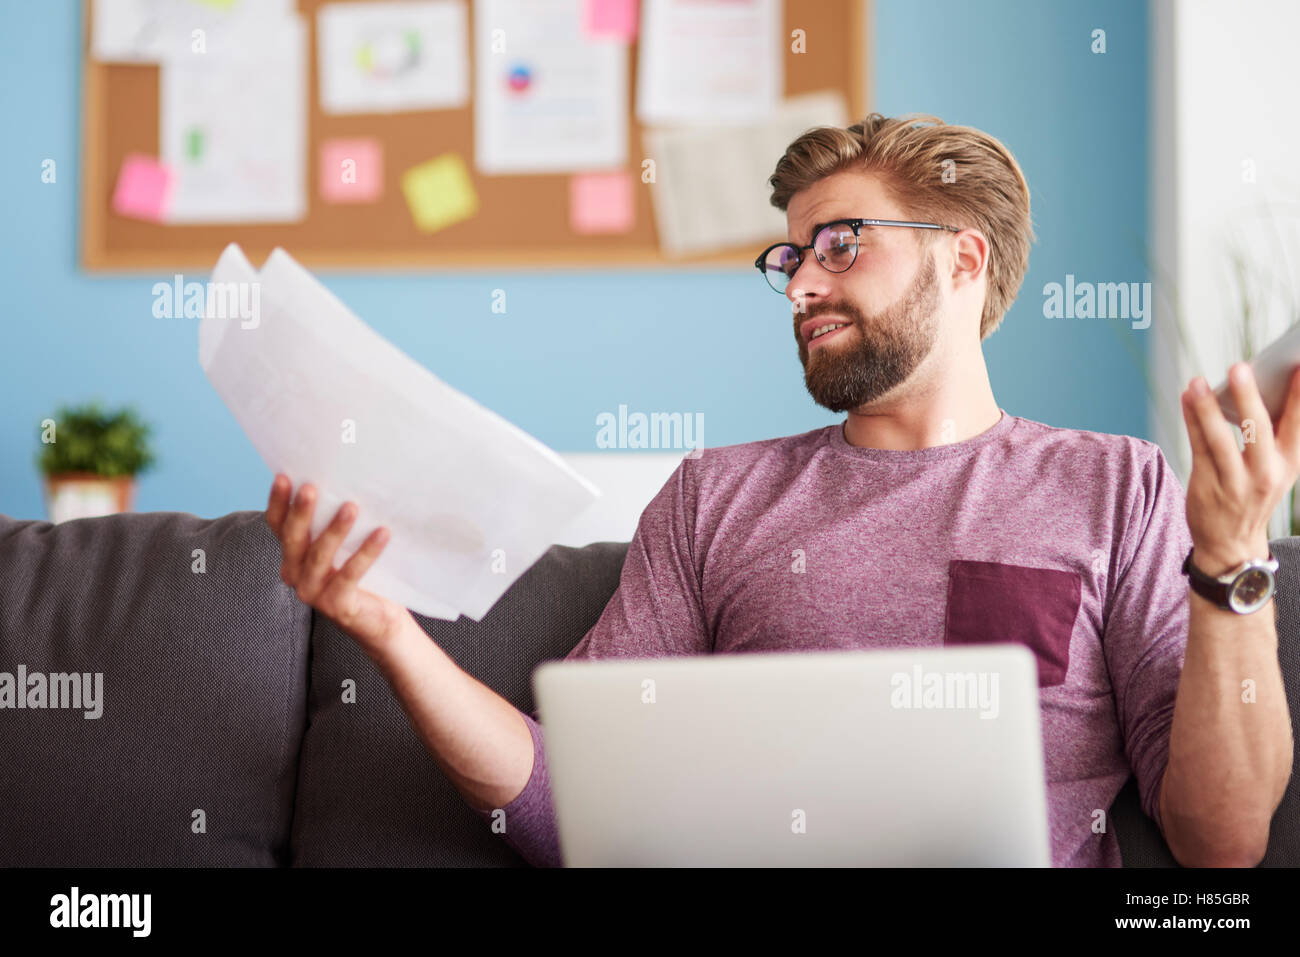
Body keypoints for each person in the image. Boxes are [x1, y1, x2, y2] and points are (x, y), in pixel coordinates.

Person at [265, 113, 1295, 868]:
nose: (800, 283)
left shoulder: (1116, 485)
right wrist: (386, 629)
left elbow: (1220, 840)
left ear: (963, 261)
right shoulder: (717, 495)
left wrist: (1231, 561)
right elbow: (562, 802)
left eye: (841, 244)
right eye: (791, 257)